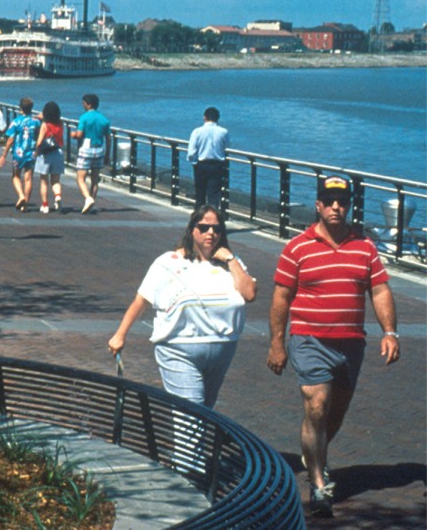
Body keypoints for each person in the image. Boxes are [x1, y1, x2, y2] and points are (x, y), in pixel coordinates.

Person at [266, 175, 400, 518]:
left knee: (334, 413)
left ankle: (316, 457)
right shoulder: (297, 247)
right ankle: (318, 483)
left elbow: (380, 290)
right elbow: (281, 297)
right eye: (330, 201)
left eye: (343, 201)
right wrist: (277, 343)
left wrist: (390, 332)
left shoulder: (365, 247)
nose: (336, 207)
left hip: (351, 344)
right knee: (316, 404)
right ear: (319, 205)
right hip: (310, 339)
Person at [109, 205, 257, 406]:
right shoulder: (169, 262)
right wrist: (120, 335)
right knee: (192, 416)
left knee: (207, 413)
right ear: (191, 230)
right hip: (179, 348)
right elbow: (141, 300)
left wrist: (230, 259)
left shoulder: (231, 263)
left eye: (217, 229)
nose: (211, 233)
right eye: (204, 228)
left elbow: (249, 293)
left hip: (223, 349)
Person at [0, 97, 42, 212]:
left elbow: (10, 139)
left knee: (16, 175)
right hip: (31, 153)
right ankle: (25, 204)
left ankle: (21, 196)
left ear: (20, 108)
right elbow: (39, 135)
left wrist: (4, 154)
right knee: (28, 178)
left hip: (18, 153)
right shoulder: (36, 122)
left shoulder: (16, 122)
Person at [71, 93, 111, 214]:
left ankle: (88, 199)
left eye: (83, 103)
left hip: (86, 149)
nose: (83, 105)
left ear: (88, 104)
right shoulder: (104, 119)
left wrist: (72, 134)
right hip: (99, 149)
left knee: (80, 178)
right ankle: (92, 203)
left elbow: (79, 135)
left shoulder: (84, 117)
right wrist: (107, 155)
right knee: (95, 179)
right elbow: (108, 138)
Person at [188, 107, 230, 209]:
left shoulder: (197, 131)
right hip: (217, 165)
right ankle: (213, 219)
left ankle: (199, 219)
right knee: (214, 195)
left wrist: (194, 162)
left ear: (204, 117)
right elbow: (227, 148)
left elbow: (191, 152)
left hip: (201, 164)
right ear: (217, 118)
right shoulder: (224, 132)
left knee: (200, 195)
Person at [34, 101, 66, 213]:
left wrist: (36, 152)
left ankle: (45, 205)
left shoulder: (44, 125)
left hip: (45, 155)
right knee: (56, 180)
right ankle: (57, 196)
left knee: (44, 181)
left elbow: (39, 143)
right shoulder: (61, 123)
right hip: (57, 153)